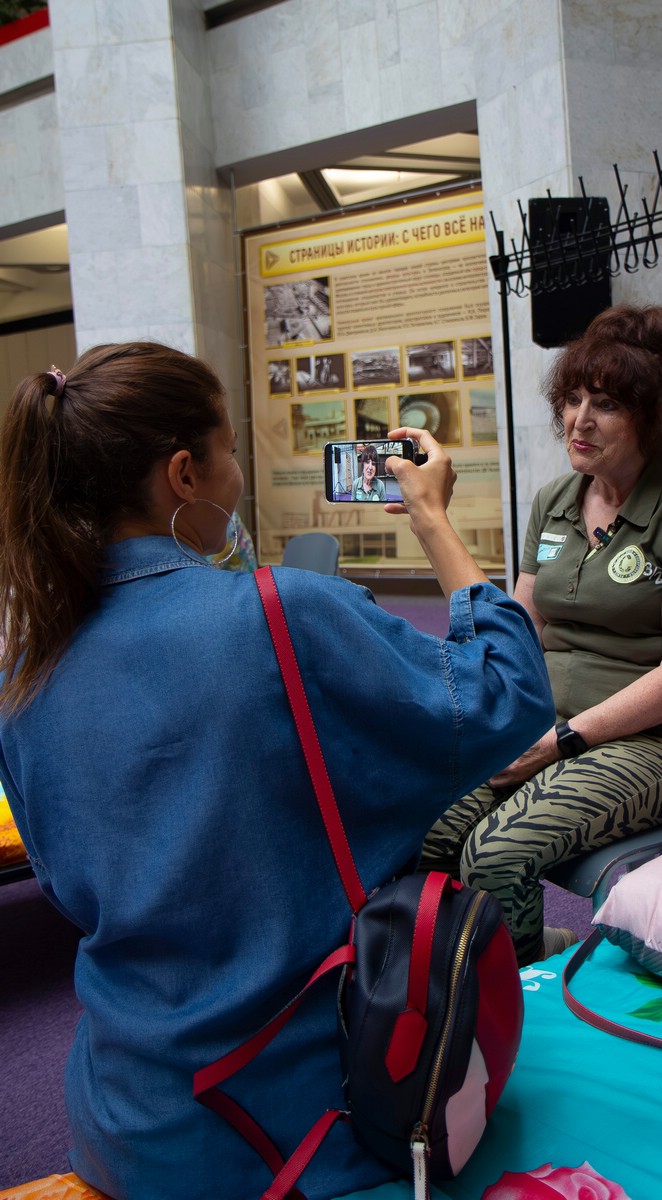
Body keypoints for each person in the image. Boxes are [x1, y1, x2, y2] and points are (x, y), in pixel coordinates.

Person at [0, 343, 554, 1200]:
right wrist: (432, 519)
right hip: (290, 1128)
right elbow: (508, 695)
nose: (237, 474)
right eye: (229, 450)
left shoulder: (24, 674)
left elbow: (70, 886)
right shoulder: (278, 612)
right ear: (183, 474)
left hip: (120, 1122)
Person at [421, 304, 662, 967]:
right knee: (423, 829)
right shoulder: (555, 501)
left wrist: (556, 742)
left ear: (654, 416)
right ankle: (523, 953)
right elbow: (515, 633)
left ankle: (522, 993)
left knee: (495, 853)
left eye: (606, 404)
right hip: (547, 728)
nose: (579, 420)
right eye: (571, 400)